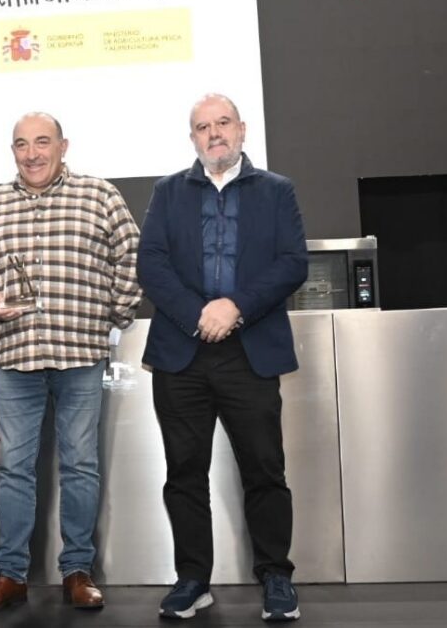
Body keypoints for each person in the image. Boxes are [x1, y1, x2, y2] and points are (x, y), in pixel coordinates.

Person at [0, 112, 142, 613]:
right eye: (21, 144)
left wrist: (114, 315)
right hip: (17, 358)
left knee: (80, 465)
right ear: (11, 150)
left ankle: (77, 571)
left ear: (64, 146)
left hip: (80, 355)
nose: (32, 153)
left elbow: (131, 258)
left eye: (42, 142)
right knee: (13, 469)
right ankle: (9, 575)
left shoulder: (100, 195)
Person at [137, 94, 308, 622]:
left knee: (264, 469)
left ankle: (276, 576)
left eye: (222, 123)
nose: (213, 133)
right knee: (184, 473)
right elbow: (152, 263)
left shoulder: (277, 191)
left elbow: (291, 263)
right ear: (193, 138)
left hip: (249, 352)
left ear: (242, 129)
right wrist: (199, 314)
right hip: (181, 354)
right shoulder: (168, 192)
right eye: (202, 127)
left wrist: (235, 307)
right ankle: (193, 579)